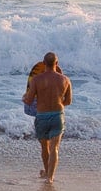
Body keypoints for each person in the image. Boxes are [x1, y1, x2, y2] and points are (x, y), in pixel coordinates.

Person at [22, 52, 72, 183]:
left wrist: (24, 98)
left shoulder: (37, 80)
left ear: (43, 64)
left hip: (42, 116)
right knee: (55, 148)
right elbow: (68, 102)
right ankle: (50, 177)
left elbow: (29, 100)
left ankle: (47, 172)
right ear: (57, 64)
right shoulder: (65, 80)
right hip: (57, 116)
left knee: (45, 147)